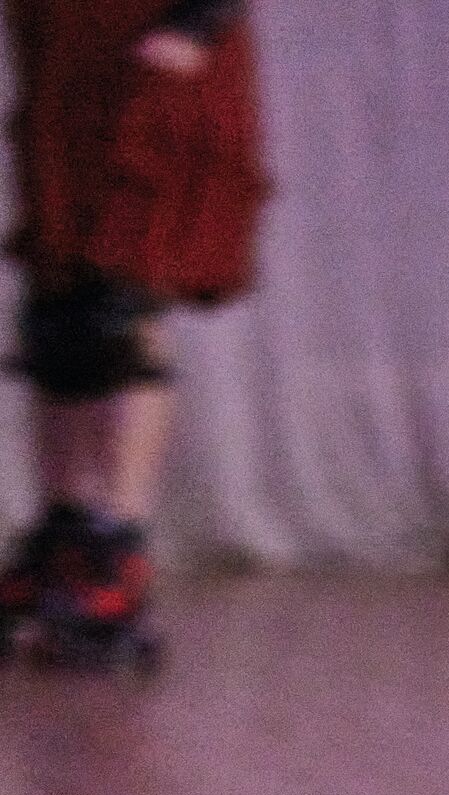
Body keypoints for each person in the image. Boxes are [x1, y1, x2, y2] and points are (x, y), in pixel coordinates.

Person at [0, 0, 266, 669]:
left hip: (148, 45)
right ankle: (61, 539)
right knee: (58, 308)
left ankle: (116, 549)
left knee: (119, 306)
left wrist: (200, 19)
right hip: (63, 54)